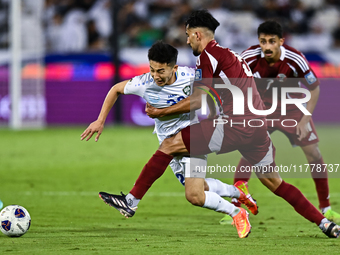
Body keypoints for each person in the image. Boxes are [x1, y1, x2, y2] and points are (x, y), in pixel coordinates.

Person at [81, 40, 258, 238]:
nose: (155, 76)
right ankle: (238, 194)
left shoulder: (190, 76)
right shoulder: (143, 82)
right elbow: (116, 89)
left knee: (169, 146)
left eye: (161, 71)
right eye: (152, 69)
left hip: (193, 135)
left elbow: (213, 89)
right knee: (196, 194)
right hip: (169, 143)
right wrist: (100, 120)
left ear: (174, 67)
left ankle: (131, 201)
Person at [224, 20, 340, 225]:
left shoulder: (295, 59)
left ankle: (326, 209)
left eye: (271, 41)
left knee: (313, 152)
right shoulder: (248, 58)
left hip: (292, 109)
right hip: (262, 110)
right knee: (252, 151)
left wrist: (305, 119)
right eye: (262, 41)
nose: (267, 46)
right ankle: (236, 208)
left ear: (281, 41)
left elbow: (314, 88)